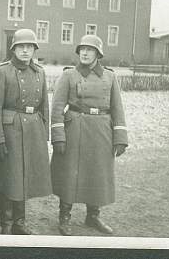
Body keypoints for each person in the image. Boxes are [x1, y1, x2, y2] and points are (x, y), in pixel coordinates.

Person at [50, 34, 128, 236]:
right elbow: (57, 107)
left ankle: (93, 216)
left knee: (98, 172)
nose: (84, 53)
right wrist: (58, 135)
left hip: (102, 130)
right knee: (69, 172)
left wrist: (120, 137)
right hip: (75, 128)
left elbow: (118, 109)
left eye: (89, 50)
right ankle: (64, 217)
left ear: (98, 54)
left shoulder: (110, 77)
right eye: (81, 49)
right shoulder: (69, 75)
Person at [0, 28, 52, 235]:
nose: (25, 51)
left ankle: (20, 223)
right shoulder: (1, 71)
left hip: (32, 131)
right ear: (13, 49)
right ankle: (6, 225)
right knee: (8, 177)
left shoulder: (39, 72)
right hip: (9, 132)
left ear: (34, 50)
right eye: (21, 47)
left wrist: (44, 136)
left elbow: (45, 107)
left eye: (29, 47)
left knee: (24, 177)